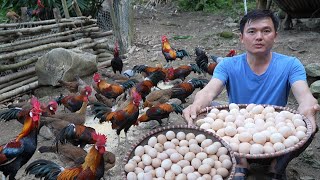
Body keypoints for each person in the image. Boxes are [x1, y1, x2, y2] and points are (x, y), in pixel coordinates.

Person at [183, 9, 320, 180]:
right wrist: (197, 104)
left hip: (274, 131)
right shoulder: (228, 65)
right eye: (252, 31)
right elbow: (209, 91)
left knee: (305, 123)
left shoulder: (291, 64)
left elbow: (304, 95)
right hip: (236, 133)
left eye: (266, 31)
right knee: (201, 113)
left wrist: (308, 107)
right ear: (241, 37)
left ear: (275, 35)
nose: (259, 37)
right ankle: (240, 162)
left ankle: (276, 167)